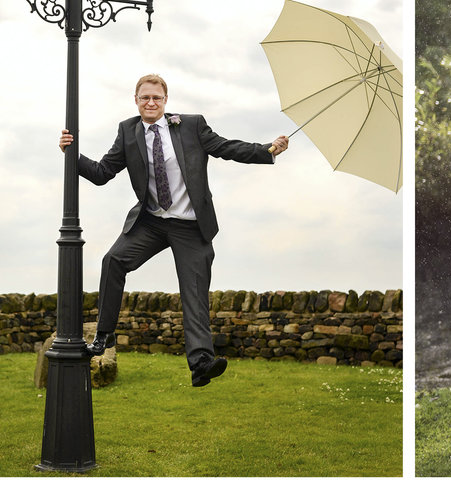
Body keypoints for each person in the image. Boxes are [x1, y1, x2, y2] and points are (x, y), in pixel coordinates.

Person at [58, 73, 287, 387]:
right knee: (113, 261)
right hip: (151, 222)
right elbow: (102, 173)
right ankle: (104, 337)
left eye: (157, 98)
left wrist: (268, 150)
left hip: (190, 225)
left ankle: (201, 364)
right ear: (136, 100)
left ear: (165, 101)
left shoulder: (190, 126)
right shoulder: (128, 131)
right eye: (144, 98)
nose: (151, 103)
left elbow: (226, 147)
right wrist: (72, 154)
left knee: (193, 294)